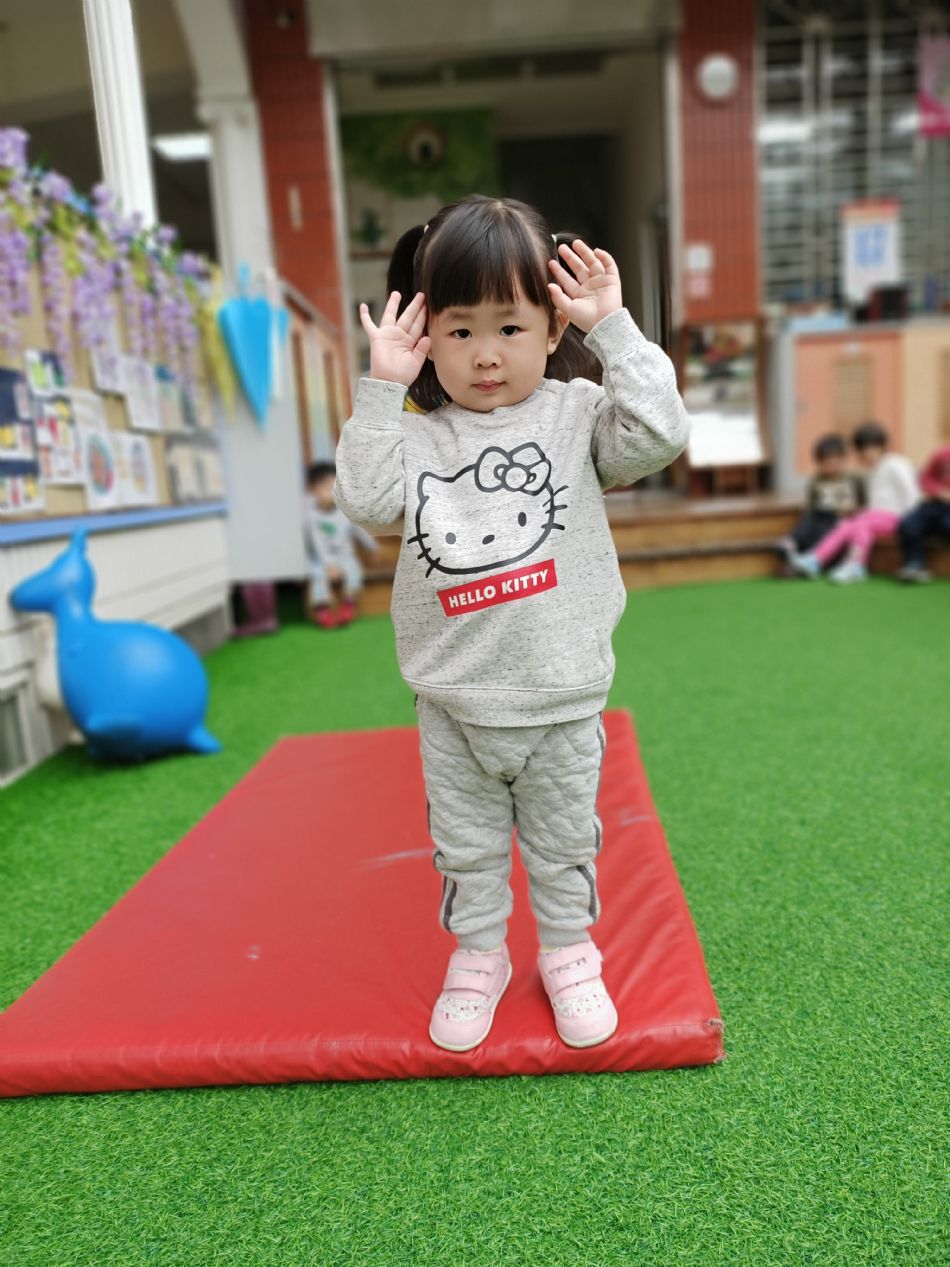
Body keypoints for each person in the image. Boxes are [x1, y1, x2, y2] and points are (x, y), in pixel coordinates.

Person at [334, 195, 690, 1053]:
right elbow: (367, 501)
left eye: (510, 327)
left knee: (564, 842)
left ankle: (569, 950)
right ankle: (480, 954)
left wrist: (614, 332)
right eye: (460, 331)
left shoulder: (577, 414)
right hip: (454, 702)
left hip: (561, 695)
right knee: (466, 847)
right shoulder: (417, 435)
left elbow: (659, 433)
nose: (486, 354)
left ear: (552, 324)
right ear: (427, 334)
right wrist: (382, 388)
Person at [789, 422, 919, 583]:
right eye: (862, 451)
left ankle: (856, 565)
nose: (866, 455)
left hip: (897, 517)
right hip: (876, 517)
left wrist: (910, 520)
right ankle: (815, 560)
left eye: (870, 449)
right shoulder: (874, 469)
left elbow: (910, 491)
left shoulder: (896, 464)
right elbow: (875, 500)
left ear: (882, 446)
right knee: (846, 524)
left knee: (861, 523)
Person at [303, 460, 379, 628]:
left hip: (345, 556)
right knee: (317, 574)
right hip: (321, 558)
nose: (333, 492)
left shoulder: (344, 510)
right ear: (314, 490)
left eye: (336, 487)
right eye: (327, 487)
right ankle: (322, 607)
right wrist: (329, 565)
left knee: (354, 569)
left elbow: (359, 530)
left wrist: (372, 547)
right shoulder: (311, 516)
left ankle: (348, 603)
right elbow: (317, 544)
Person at [777, 433, 864, 567]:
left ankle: (801, 559)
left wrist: (854, 510)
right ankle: (792, 543)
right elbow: (810, 506)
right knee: (813, 517)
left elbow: (865, 502)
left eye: (835, 462)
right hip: (822, 520)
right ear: (819, 463)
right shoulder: (816, 481)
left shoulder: (855, 478)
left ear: (843, 460)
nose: (831, 467)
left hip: (844, 523)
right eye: (827, 463)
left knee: (822, 525)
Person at [897, 446, 950, 583]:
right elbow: (926, 476)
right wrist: (938, 492)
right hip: (933, 504)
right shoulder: (942, 454)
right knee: (908, 525)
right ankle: (915, 564)